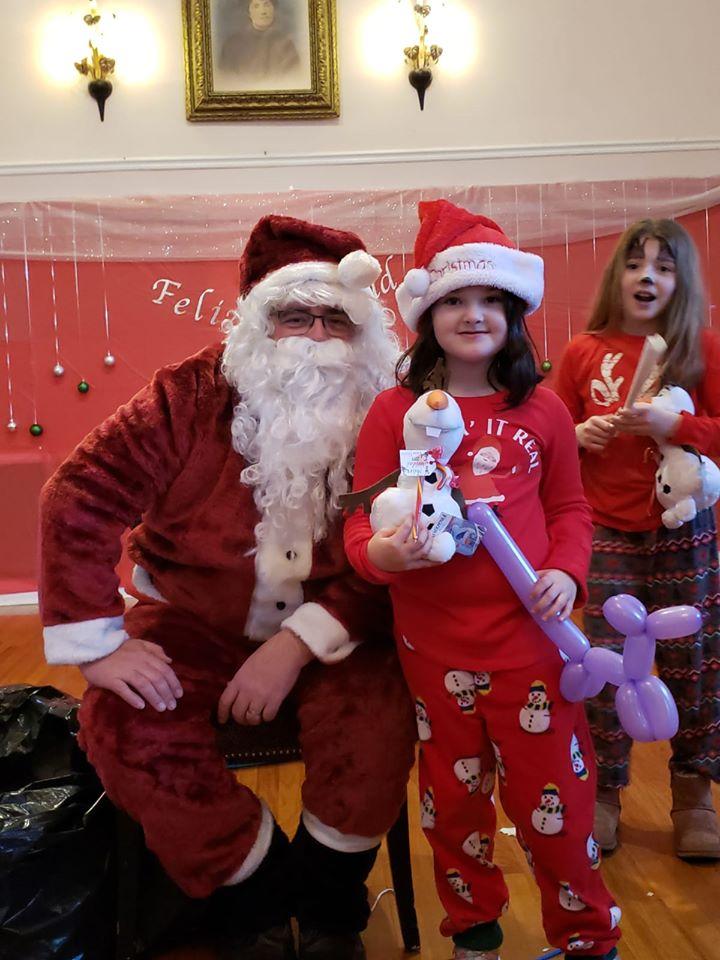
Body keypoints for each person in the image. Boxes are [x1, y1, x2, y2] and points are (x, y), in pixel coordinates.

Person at [39, 214, 417, 960]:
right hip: (191, 623)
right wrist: (99, 645)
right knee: (121, 722)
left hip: (343, 625)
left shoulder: (394, 413)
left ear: (364, 331)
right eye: (293, 316)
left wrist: (295, 647)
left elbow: (404, 554)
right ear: (256, 321)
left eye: (336, 319)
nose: (315, 337)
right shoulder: (187, 396)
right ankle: (257, 890)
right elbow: (78, 497)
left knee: (378, 719)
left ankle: (331, 901)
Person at [344, 199, 621, 960]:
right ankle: (475, 932)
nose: (472, 315)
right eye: (454, 300)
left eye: (489, 300)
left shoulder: (545, 411)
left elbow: (570, 508)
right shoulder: (392, 413)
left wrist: (566, 571)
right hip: (433, 654)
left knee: (556, 808)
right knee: (453, 806)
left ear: (514, 313)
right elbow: (361, 525)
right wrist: (383, 558)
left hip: (533, 647)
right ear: (427, 315)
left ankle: (588, 937)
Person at [555, 218, 720, 860]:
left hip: (685, 529)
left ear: (681, 282)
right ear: (617, 277)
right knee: (605, 663)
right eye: (634, 263)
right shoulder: (582, 351)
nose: (646, 276)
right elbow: (548, 439)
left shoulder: (699, 348)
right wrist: (577, 435)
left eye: (663, 266)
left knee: (693, 661)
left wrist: (673, 424)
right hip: (605, 526)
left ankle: (693, 794)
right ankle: (604, 792)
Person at [220, 0, 300, 82]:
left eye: (267, 5)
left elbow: (294, 79)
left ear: (274, 9)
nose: (263, 12)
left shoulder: (287, 45)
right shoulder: (231, 45)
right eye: (256, 6)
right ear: (249, 13)